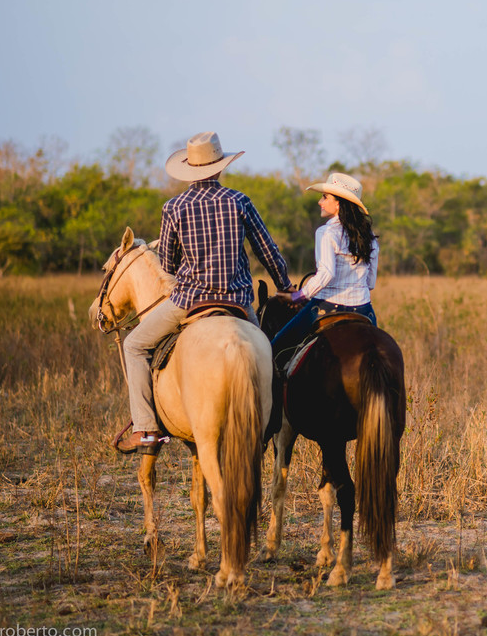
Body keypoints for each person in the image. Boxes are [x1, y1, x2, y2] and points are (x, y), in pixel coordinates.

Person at [115, 131, 294, 454]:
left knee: (134, 345)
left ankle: (145, 429)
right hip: (239, 303)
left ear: (190, 169)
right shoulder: (240, 201)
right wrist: (286, 286)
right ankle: (271, 421)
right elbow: (267, 250)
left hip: (188, 303)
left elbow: (168, 265)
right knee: (267, 354)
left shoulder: (174, 207)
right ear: (219, 167)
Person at [271, 172, 379, 364]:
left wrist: (297, 296)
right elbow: (370, 282)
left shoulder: (326, 232)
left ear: (339, 203)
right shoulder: (369, 236)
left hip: (326, 307)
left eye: (325, 197)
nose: (320, 202)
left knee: (275, 349)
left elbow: (327, 274)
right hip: (364, 309)